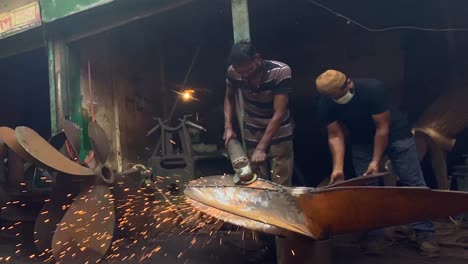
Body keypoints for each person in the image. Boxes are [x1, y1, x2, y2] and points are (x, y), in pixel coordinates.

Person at [315, 69, 440, 256]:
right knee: (367, 189)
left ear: (348, 83)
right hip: (361, 140)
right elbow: (335, 135)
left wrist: (375, 161)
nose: (337, 98)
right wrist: (338, 168)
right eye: (333, 97)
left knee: (413, 183)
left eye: (339, 94)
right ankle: (375, 234)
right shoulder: (325, 103)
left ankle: (424, 233)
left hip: (396, 135)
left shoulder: (373, 88)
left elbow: (382, 128)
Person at [223, 41, 294, 262]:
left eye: (249, 70)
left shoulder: (280, 71)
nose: (245, 76)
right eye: (240, 72)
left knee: (280, 191)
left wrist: (263, 147)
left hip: (279, 135)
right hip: (252, 133)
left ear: (258, 59)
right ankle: (267, 247)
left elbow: (279, 112)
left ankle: (285, 248)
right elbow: (228, 98)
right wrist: (228, 126)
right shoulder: (234, 73)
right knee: (258, 191)